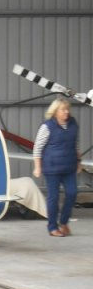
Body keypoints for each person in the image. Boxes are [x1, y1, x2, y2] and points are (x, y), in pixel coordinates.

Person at [33, 98, 82, 237]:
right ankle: (52, 227)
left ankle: (64, 222)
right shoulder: (47, 126)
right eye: (63, 109)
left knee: (72, 193)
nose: (66, 112)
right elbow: (37, 147)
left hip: (69, 166)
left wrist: (79, 162)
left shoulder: (73, 124)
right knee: (53, 198)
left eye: (67, 109)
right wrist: (37, 167)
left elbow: (76, 144)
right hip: (52, 168)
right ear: (55, 111)